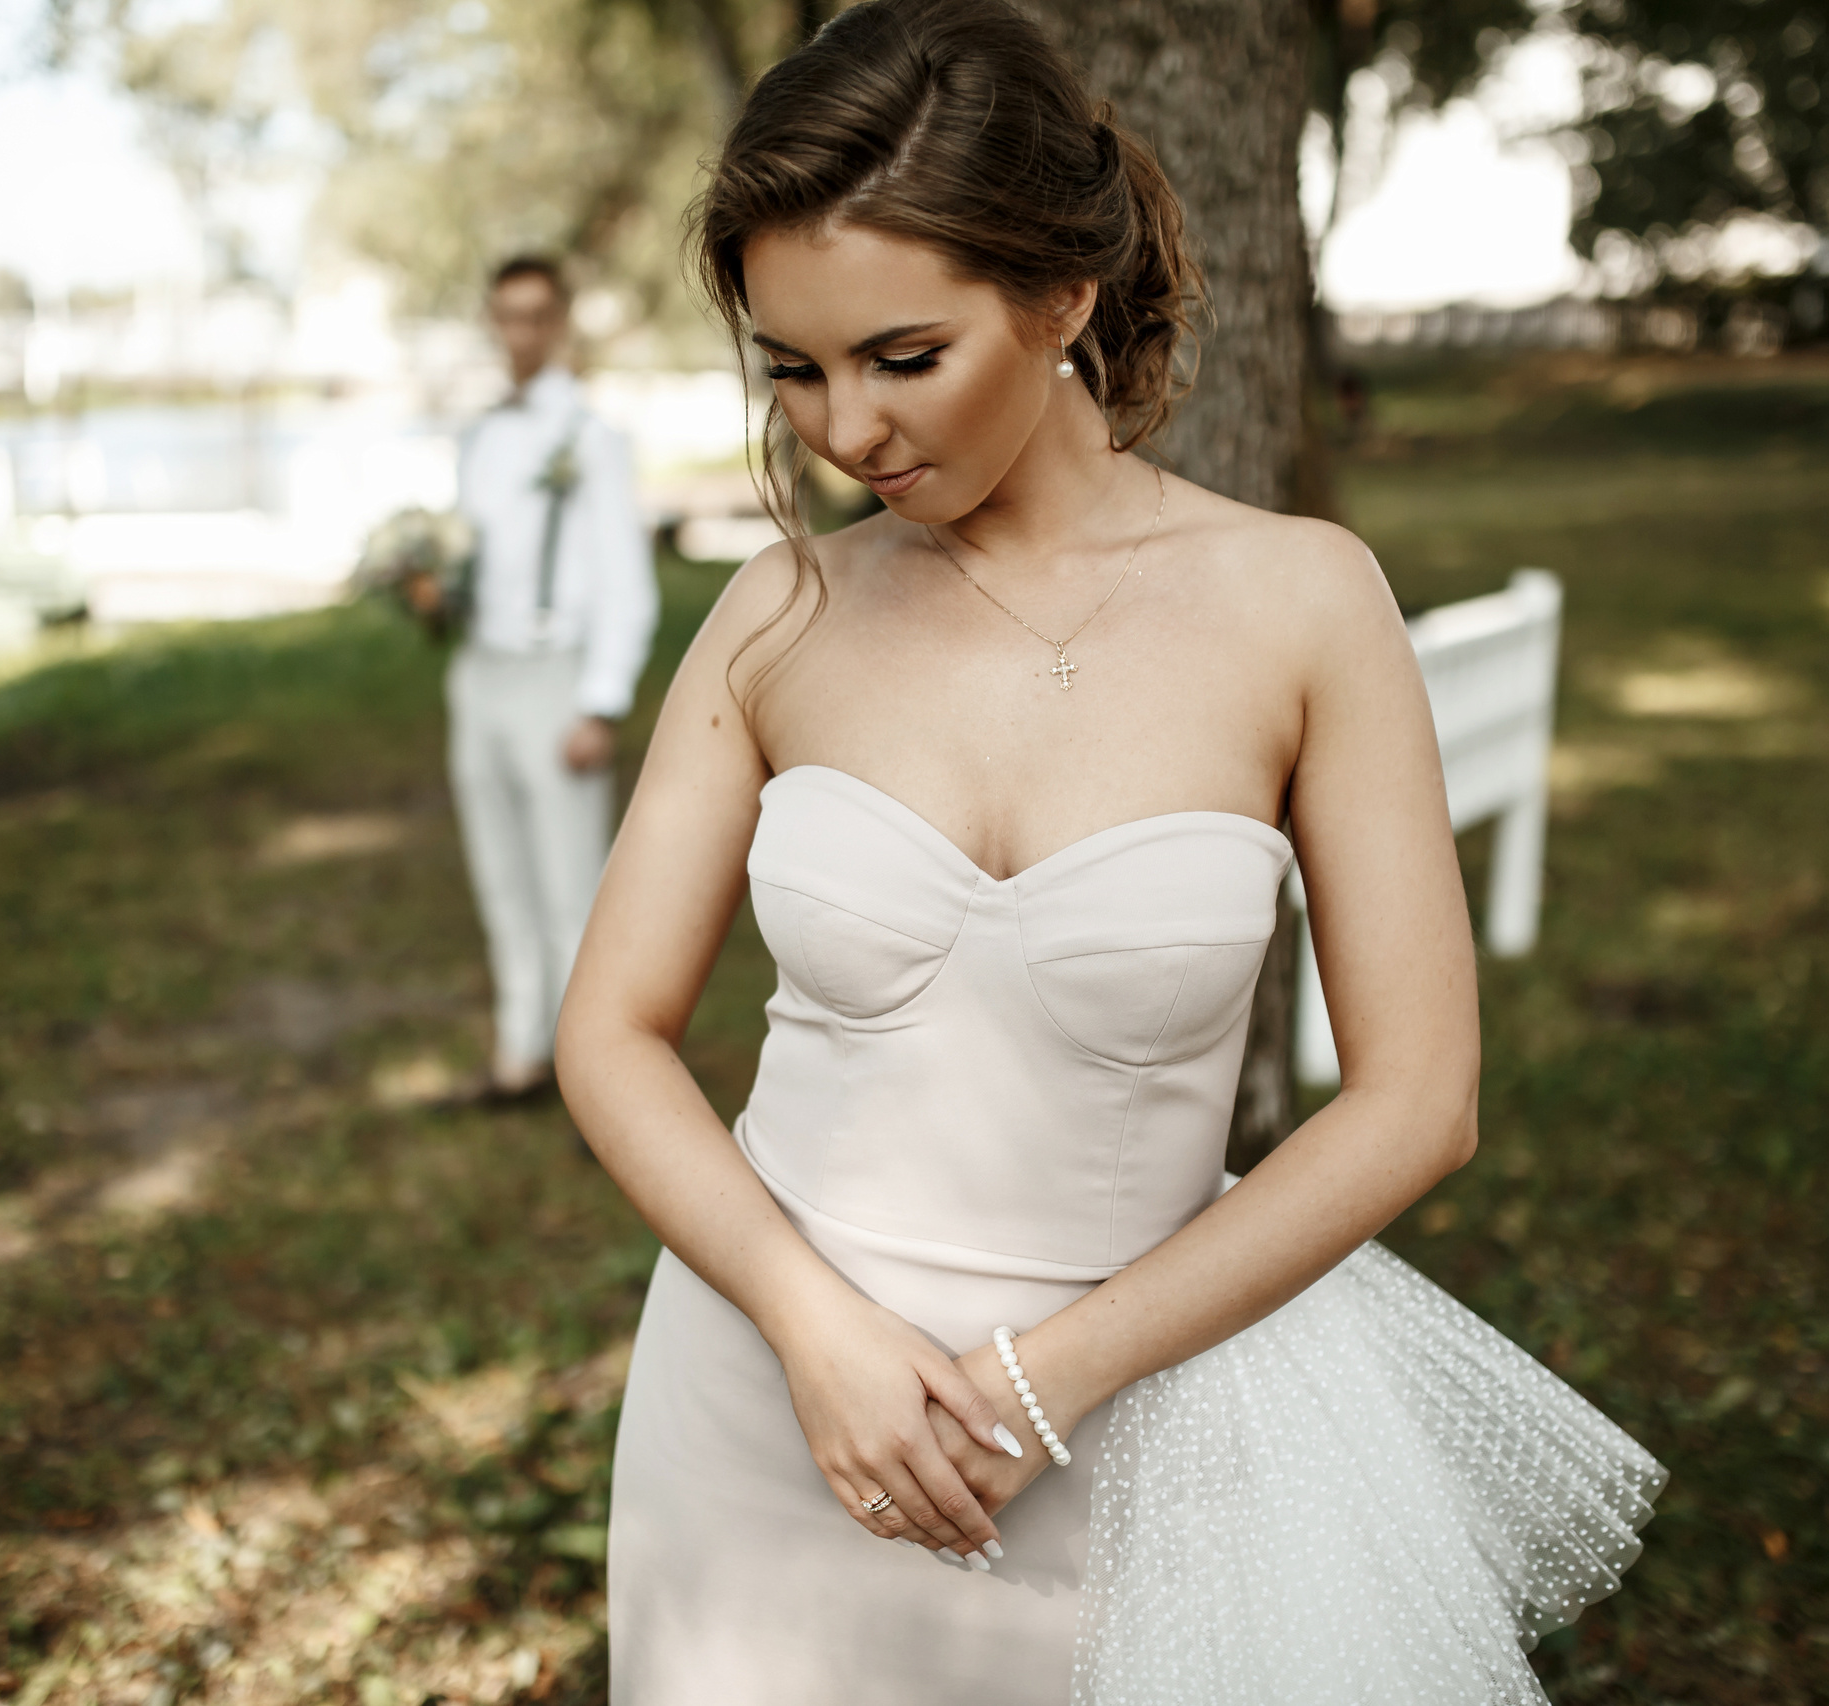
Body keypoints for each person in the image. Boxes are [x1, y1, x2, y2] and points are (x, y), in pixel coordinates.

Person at [552, 3, 1664, 1701]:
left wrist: (1041, 1380)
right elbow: (612, 1033)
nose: (843, 431)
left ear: (1062, 295)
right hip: (764, 1410)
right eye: (795, 367)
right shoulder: (780, 613)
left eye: (902, 356)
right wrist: (808, 1321)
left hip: (1138, 1426)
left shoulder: (1302, 602)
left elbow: (1420, 1098)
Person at [451, 256, 659, 1101]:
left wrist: (600, 701)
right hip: (479, 672)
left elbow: (627, 584)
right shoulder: (480, 434)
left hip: (556, 676)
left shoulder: (591, 439)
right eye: (507, 316)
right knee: (500, 874)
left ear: (562, 322)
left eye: (537, 316)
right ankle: (520, 1052)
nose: (521, 334)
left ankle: (593, 1082)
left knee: (574, 889)